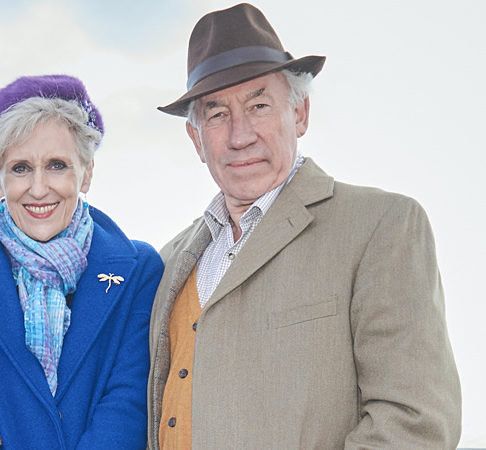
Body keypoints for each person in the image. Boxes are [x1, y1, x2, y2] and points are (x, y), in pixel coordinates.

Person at [147, 4, 461, 448]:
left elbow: (414, 422)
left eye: (259, 105)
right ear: (196, 139)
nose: (240, 135)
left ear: (299, 114)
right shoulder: (165, 262)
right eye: (217, 114)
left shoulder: (381, 226)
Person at [0, 75, 163, 449]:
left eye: (56, 165)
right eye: (20, 168)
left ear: (86, 174)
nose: (38, 188)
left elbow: (126, 408)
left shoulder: (139, 271)